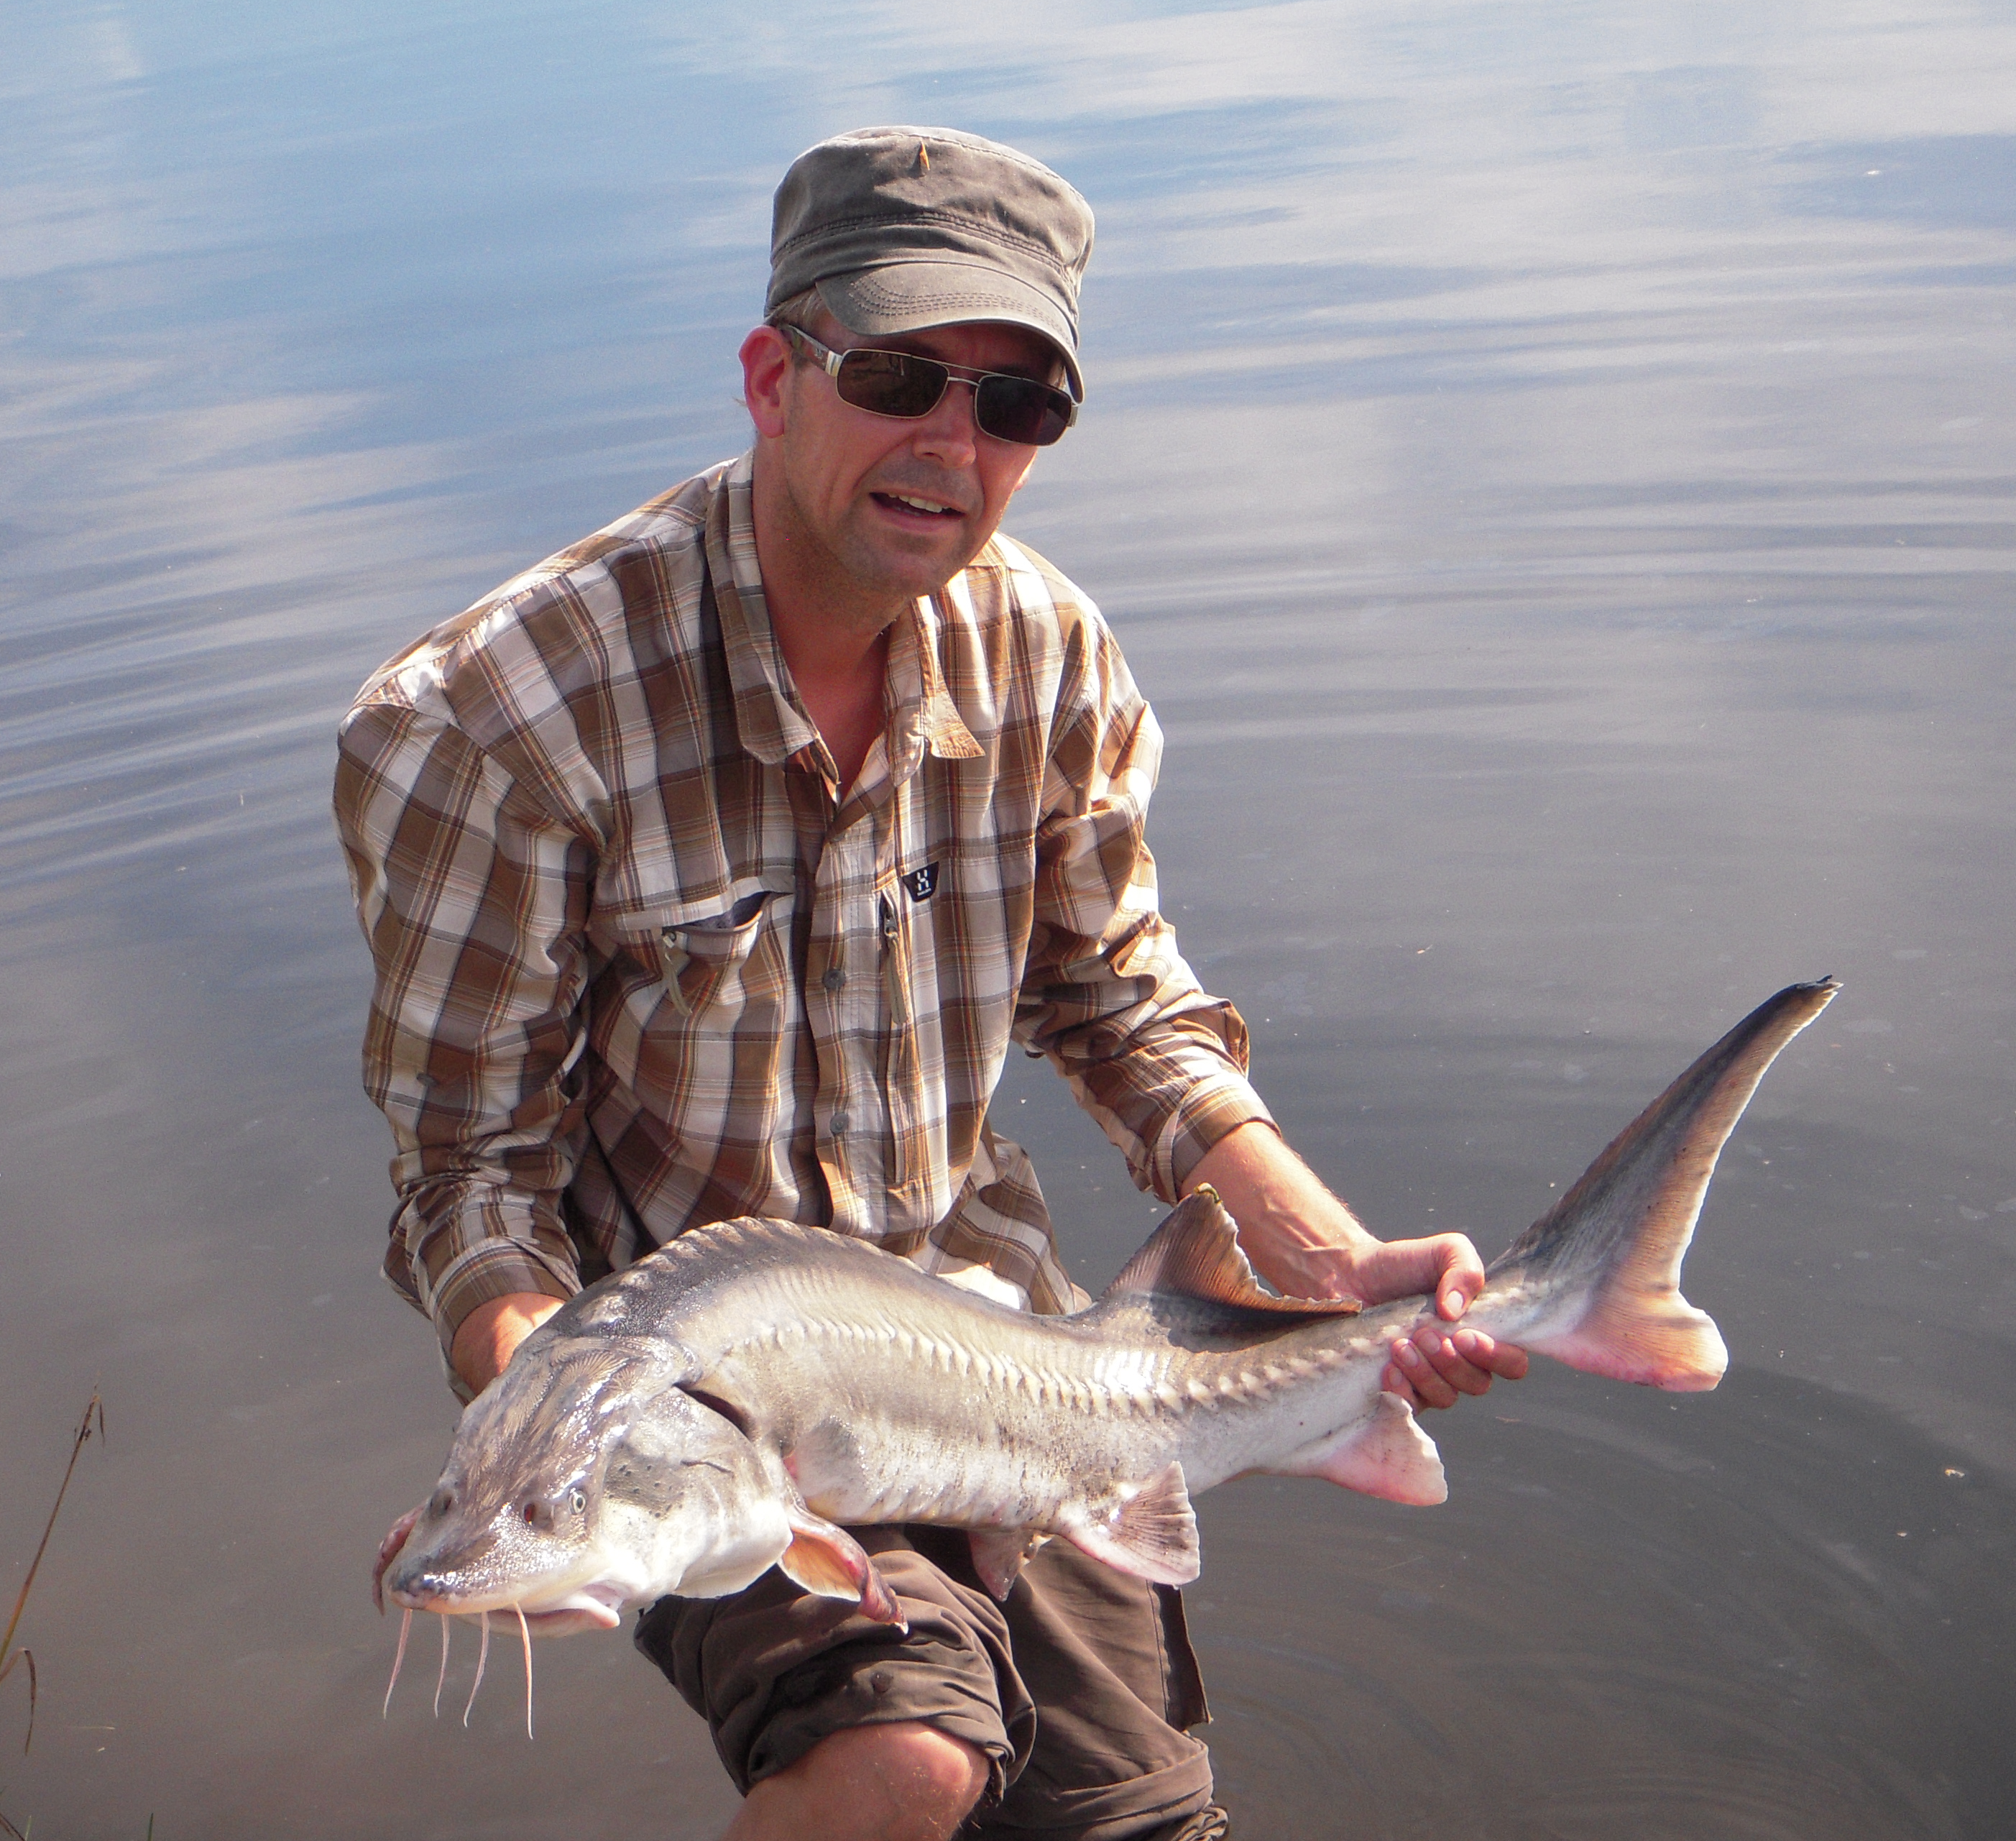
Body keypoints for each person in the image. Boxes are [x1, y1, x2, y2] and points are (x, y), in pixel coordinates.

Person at [335, 125, 1525, 1841]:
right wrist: (544, 1441)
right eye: (899, 377)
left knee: (1131, 1825)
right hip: (696, 1395)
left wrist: (1332, 1263)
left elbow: (1118, 1005)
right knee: (906, 1762)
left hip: (995, 1340)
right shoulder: (493, 720)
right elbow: (469, 1170)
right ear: (773, 378)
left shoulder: (1050, 654)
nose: (952, 446)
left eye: (1016, 404)